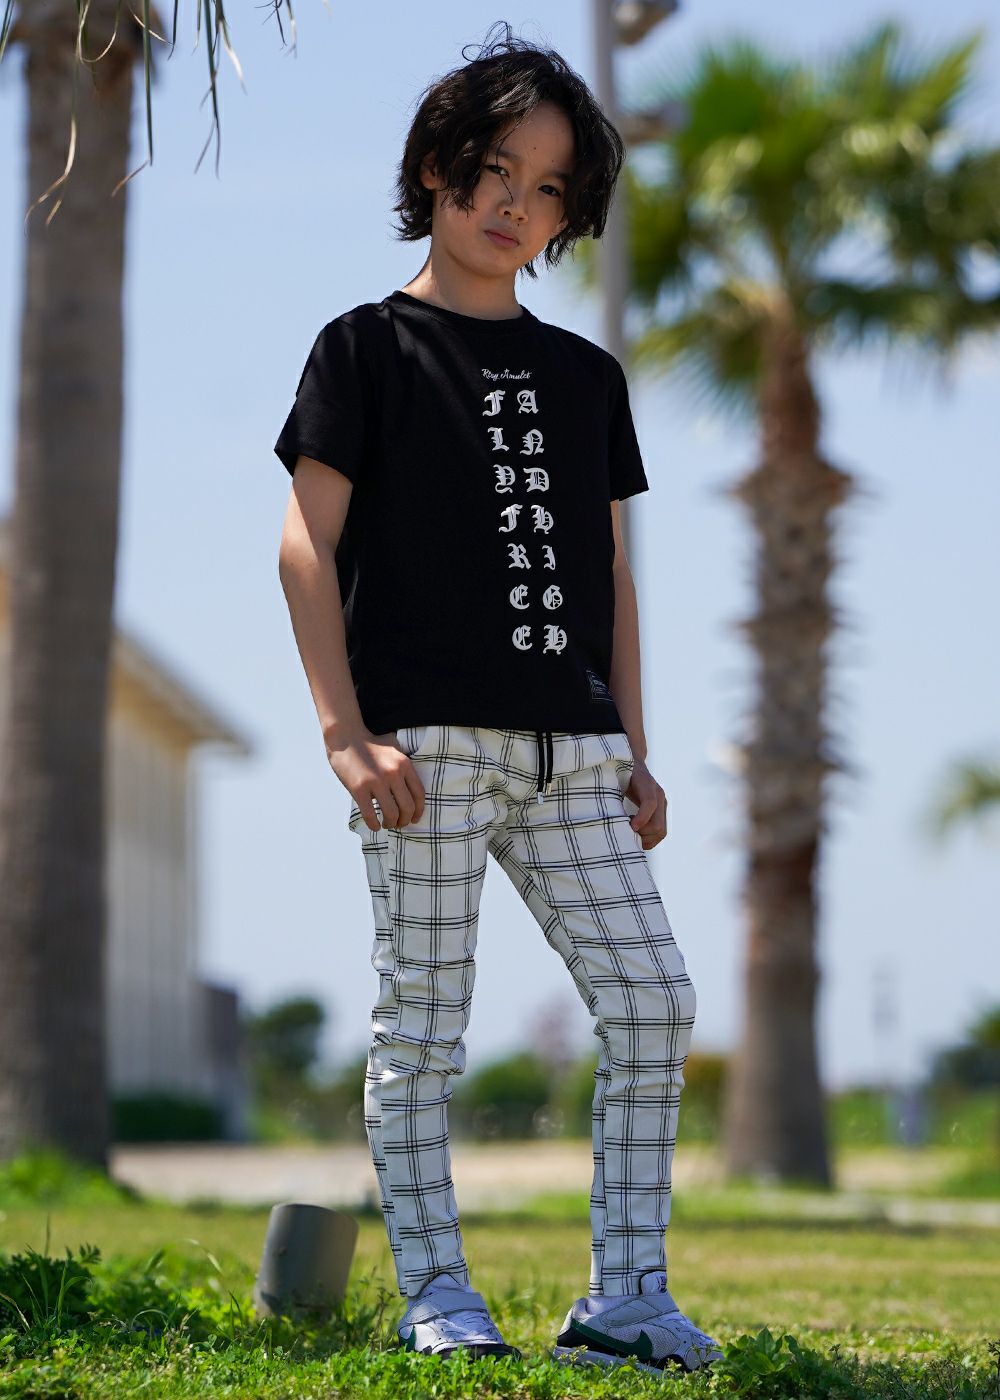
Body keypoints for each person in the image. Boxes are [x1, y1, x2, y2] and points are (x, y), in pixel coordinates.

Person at [272, 20, 724, 1378]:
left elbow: (612, 576)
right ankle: (438, 1295)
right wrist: (345, 734)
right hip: (423, 750)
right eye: (491, 170)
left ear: (570, 217)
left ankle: (625, 1303)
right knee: (423, 1026)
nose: (513, 204)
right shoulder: (363, 349)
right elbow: (305, 548)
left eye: (547, 189)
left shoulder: (589, 378)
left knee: (653, 1002)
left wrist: (634, 747)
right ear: (435, 167)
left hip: (576, 754)